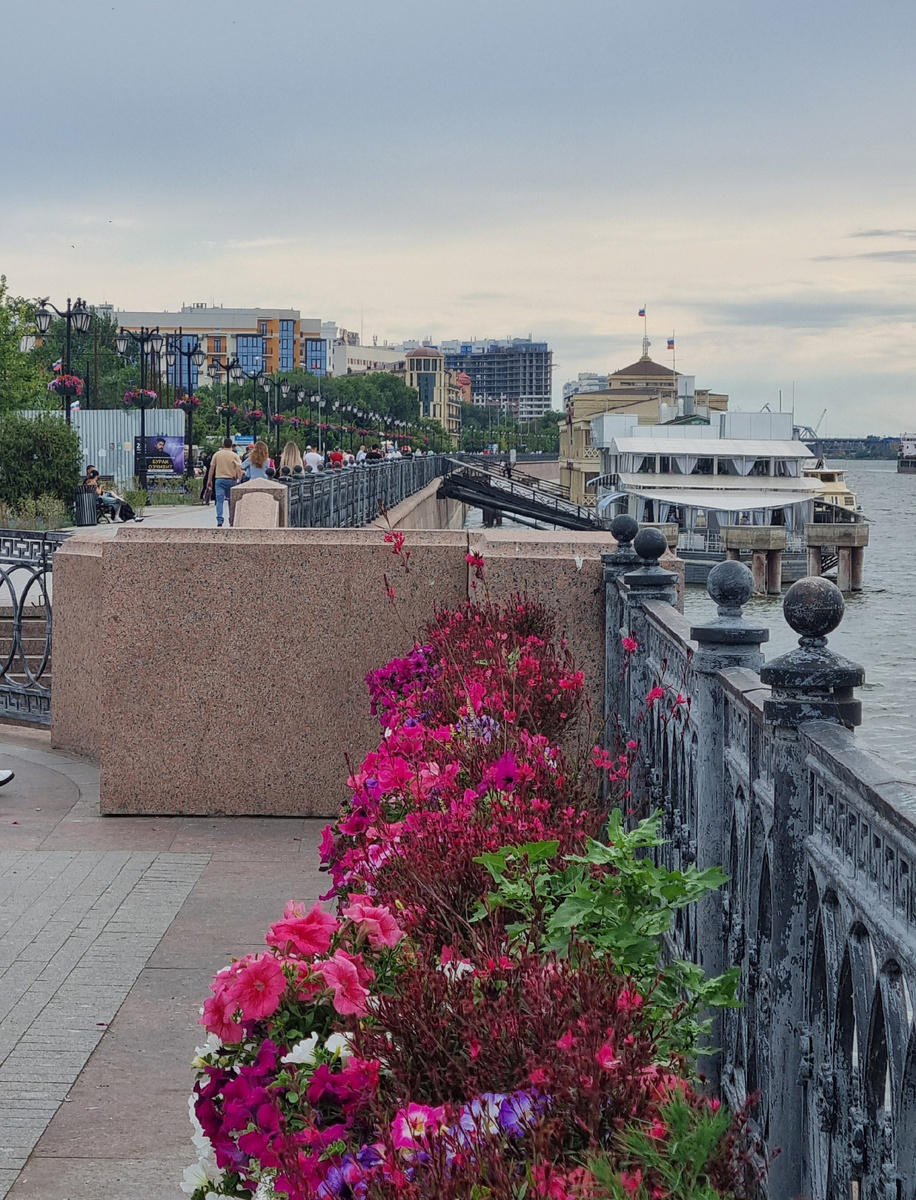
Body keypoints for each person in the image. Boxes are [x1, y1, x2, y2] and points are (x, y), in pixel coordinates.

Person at [205, 437, 243, 527]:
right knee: (231, 501)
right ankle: (231, 519)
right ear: (231, 445)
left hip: (219, 480)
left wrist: (209, 480)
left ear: (223, 445)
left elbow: (211, 468)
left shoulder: (217, 454)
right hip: (231, 480)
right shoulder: (235, 455)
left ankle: (219, 519)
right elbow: (239, 469)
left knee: (219, 500)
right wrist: (239, 480)